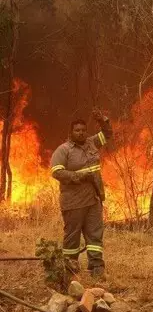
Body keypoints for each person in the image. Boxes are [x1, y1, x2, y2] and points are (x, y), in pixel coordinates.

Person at [50, 109, 112, 280]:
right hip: (73, 201)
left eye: (83, 130)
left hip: (93, 199)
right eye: (77, 130)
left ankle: (97, 266)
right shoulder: (63, 150)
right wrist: (77, 176)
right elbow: (56, 172)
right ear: (71, 132)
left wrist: (102, 119)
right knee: (72, 237)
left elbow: (108, 133)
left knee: (95, 234)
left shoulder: (92, 143)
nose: (81, 133)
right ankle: (70, 268)